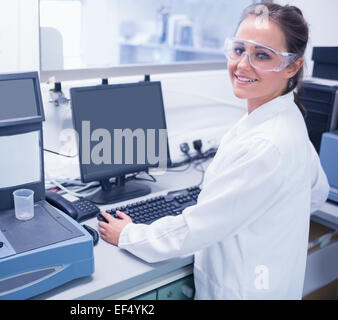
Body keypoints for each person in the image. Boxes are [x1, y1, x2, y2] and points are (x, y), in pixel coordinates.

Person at [97, 2, 330, 300]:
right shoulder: (288, 119)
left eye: (262, 55)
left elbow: (193, 230)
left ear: (293, 66)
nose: (243, 64)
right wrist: (269, 219)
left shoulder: (265, 144)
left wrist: (128, 235)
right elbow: (317, 191)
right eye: (238, 50)